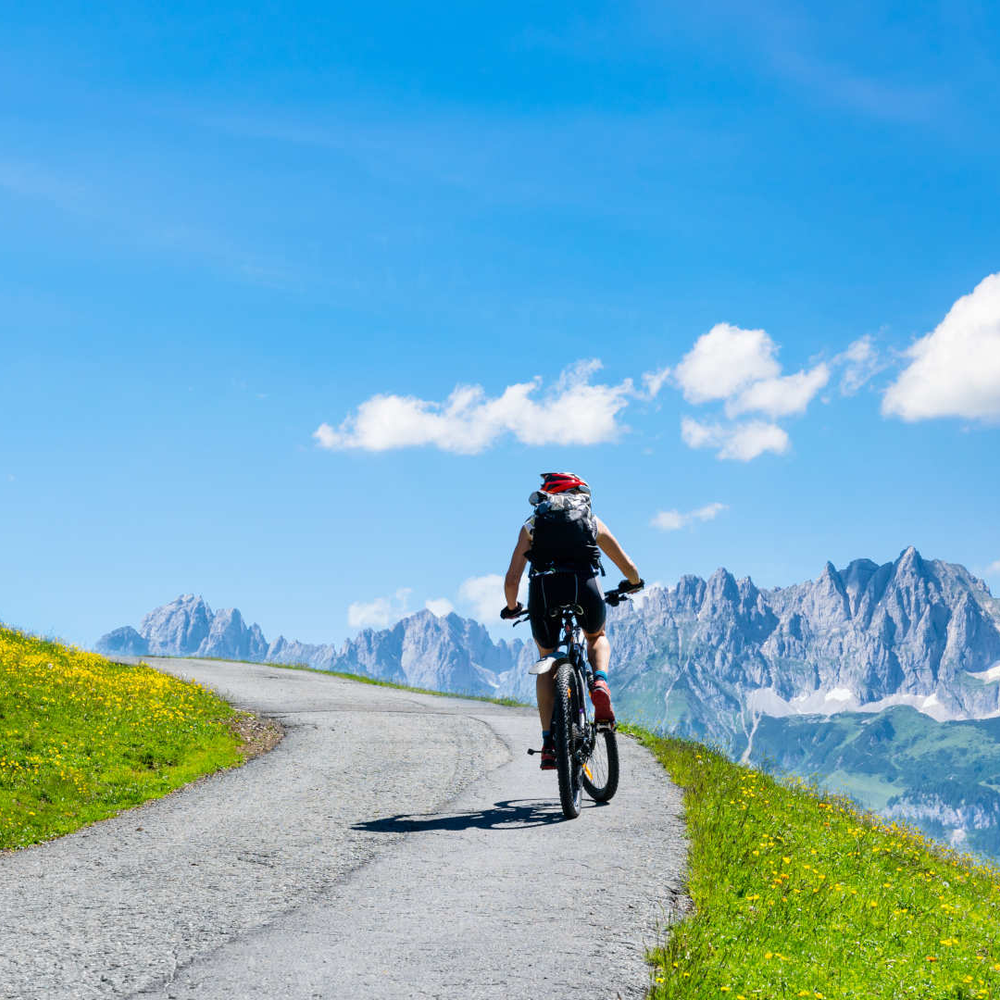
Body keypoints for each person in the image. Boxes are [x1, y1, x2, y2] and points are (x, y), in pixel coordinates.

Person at [501, 472, 643, 770]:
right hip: (585, 588)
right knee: (596, 636)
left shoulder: (532, 524)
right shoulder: (590, 519)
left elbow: (512, 577)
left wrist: (512, 607)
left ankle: (549, 742)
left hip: (543, 591)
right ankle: (600, 682)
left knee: (547, 660)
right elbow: (627, 565)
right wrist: (633, 582)